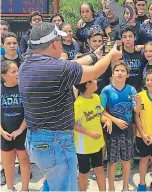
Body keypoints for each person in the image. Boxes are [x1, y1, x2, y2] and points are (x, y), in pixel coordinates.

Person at [18, 22, 122, 191]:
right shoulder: (57, 69)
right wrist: (110, 56)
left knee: (52, 183)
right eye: (60, 38)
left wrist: (95, 55)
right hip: (56, 143)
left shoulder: (26, 66)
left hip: (35, 141)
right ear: (53, 44)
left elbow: (72, 64)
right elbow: (94, 72)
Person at [100, 61, 142, 191]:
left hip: (127, 130)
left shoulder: (131, 89)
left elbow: (136, 110)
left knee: (126, 159)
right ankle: (111, 187)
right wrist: (114, 120)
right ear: (112, 74)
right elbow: (101, 110)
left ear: (127, 74)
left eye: (123, 71)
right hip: (112, 129)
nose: (120, 73)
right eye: (117, 70)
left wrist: (139, 104)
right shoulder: (106, 90)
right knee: (112, 161)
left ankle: (125, 187)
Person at [74, 80, 112, 191]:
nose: (97, 81)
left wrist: (108, 120)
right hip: (83, 147)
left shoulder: (96, 97)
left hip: (96, 143)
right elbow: (72, 124)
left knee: (99, 169)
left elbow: (100, 115)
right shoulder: (78, 104)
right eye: (94, 79)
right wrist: (88, 133)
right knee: (84, 172)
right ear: (88, 84)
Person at [1, 60, 30, 191]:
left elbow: (29, 112)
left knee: (24, 160)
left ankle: (25, 188)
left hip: (22, 132)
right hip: (5, 133)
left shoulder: (24, 88)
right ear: (3, 75)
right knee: (8, 163)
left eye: (18, 70)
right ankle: (10, 187)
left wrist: (20, 130)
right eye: (13, 72)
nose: (18, 73)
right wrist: (1, 132)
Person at [121, 26, 144, 92]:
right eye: (125, 37)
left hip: (139, 90)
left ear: (135, 38)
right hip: (123, 91)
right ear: (122, 39)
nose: (128, 39)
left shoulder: (141, 53)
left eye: (130, 36)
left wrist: (143, 46)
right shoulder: (118, 54)